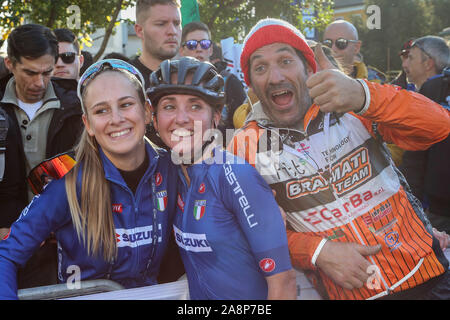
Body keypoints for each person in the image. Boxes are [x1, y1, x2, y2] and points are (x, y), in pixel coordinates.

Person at [229, 18, 450, 300]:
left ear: (309, 67)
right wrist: (317, 252)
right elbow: (247, 230)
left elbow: (438, 127)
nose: (275, 77)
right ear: (252, 85)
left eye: (285, 61)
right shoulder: (244, 146)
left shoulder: (351, 104)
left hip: (429, 280)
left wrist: (363, 94)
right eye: (260, 67)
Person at [0, 59, 178, 299]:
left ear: (146, 111)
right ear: (88, 124)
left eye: (125, 104)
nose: (116, 119)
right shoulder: (67, 180)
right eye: (101, 110)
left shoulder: (173, 168)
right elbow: (6, 254)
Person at [147, 57, 296, 299]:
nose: (182, 118)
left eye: (195, 106)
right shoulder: (171, 172)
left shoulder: (235, 174)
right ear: (154, 119)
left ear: (215, 117)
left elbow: (284, 283)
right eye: (169, 106)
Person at [0, 24, 83, 289]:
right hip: (6, 239)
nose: (39, 82)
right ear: (9, 63)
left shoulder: (76, 107)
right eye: (30, 72)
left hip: (63, 244)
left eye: (47, 72)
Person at [400, 37, 450, 233]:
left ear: (428, 62)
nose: (405, 64)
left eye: (410, 58)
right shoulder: (431, 90)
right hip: (437, 211)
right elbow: (415, 154)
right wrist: (413, 206)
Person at [178, 21, 246, 137]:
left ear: (210, 49)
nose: (199, 49)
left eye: (204, 44)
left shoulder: (229, 82)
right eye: (192, 44)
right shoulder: (174, 84)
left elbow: (244, 130)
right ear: (181, 51)